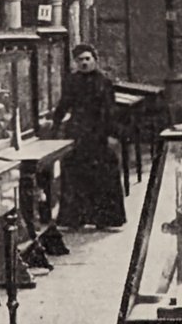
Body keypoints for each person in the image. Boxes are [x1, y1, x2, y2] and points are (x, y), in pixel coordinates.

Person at [51, 43, 127, 230]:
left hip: (99, 134)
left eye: (87, 59)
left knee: (102, 175)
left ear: (95, 60)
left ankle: (104, 219)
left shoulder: (104, 83)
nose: (84, 63)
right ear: (75, 62)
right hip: (78, 133)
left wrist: (112, 133)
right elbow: (64, 104)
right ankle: (75, 219)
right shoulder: (71, 81)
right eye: (80, 60)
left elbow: (110, 111)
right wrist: (56, 125)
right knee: (75, 174)